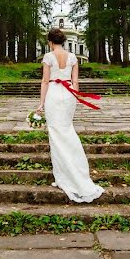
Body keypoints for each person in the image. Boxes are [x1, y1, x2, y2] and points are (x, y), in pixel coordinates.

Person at [35, 28, 105, 203]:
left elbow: (45, 81)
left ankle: (63, 176)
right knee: (67, 130)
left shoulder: (48, 57)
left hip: (53, 93)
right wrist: (74, 97)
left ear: (50, 42)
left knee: (56, 133)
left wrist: (41, 103)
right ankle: (74, 172)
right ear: (63, 41)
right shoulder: (72, 57)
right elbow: (75, 82)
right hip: (68, 94)